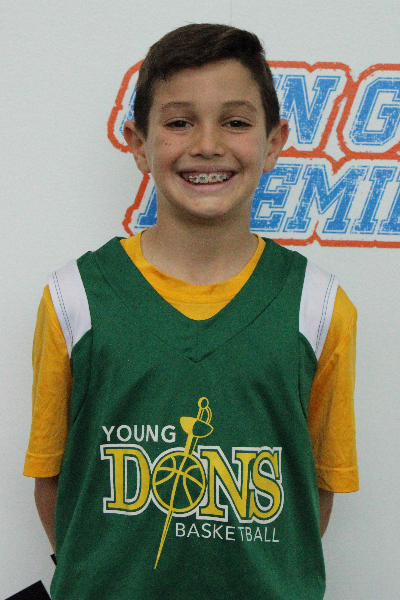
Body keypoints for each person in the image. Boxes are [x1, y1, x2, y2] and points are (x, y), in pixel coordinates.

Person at [24, 23, 358, 599]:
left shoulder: (319, 305)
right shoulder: (74, 298)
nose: (207, 144)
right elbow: (53, 483)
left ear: (274, 142)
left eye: (236, 122)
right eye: (179, 122)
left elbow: (314, 493)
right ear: (138, 143)